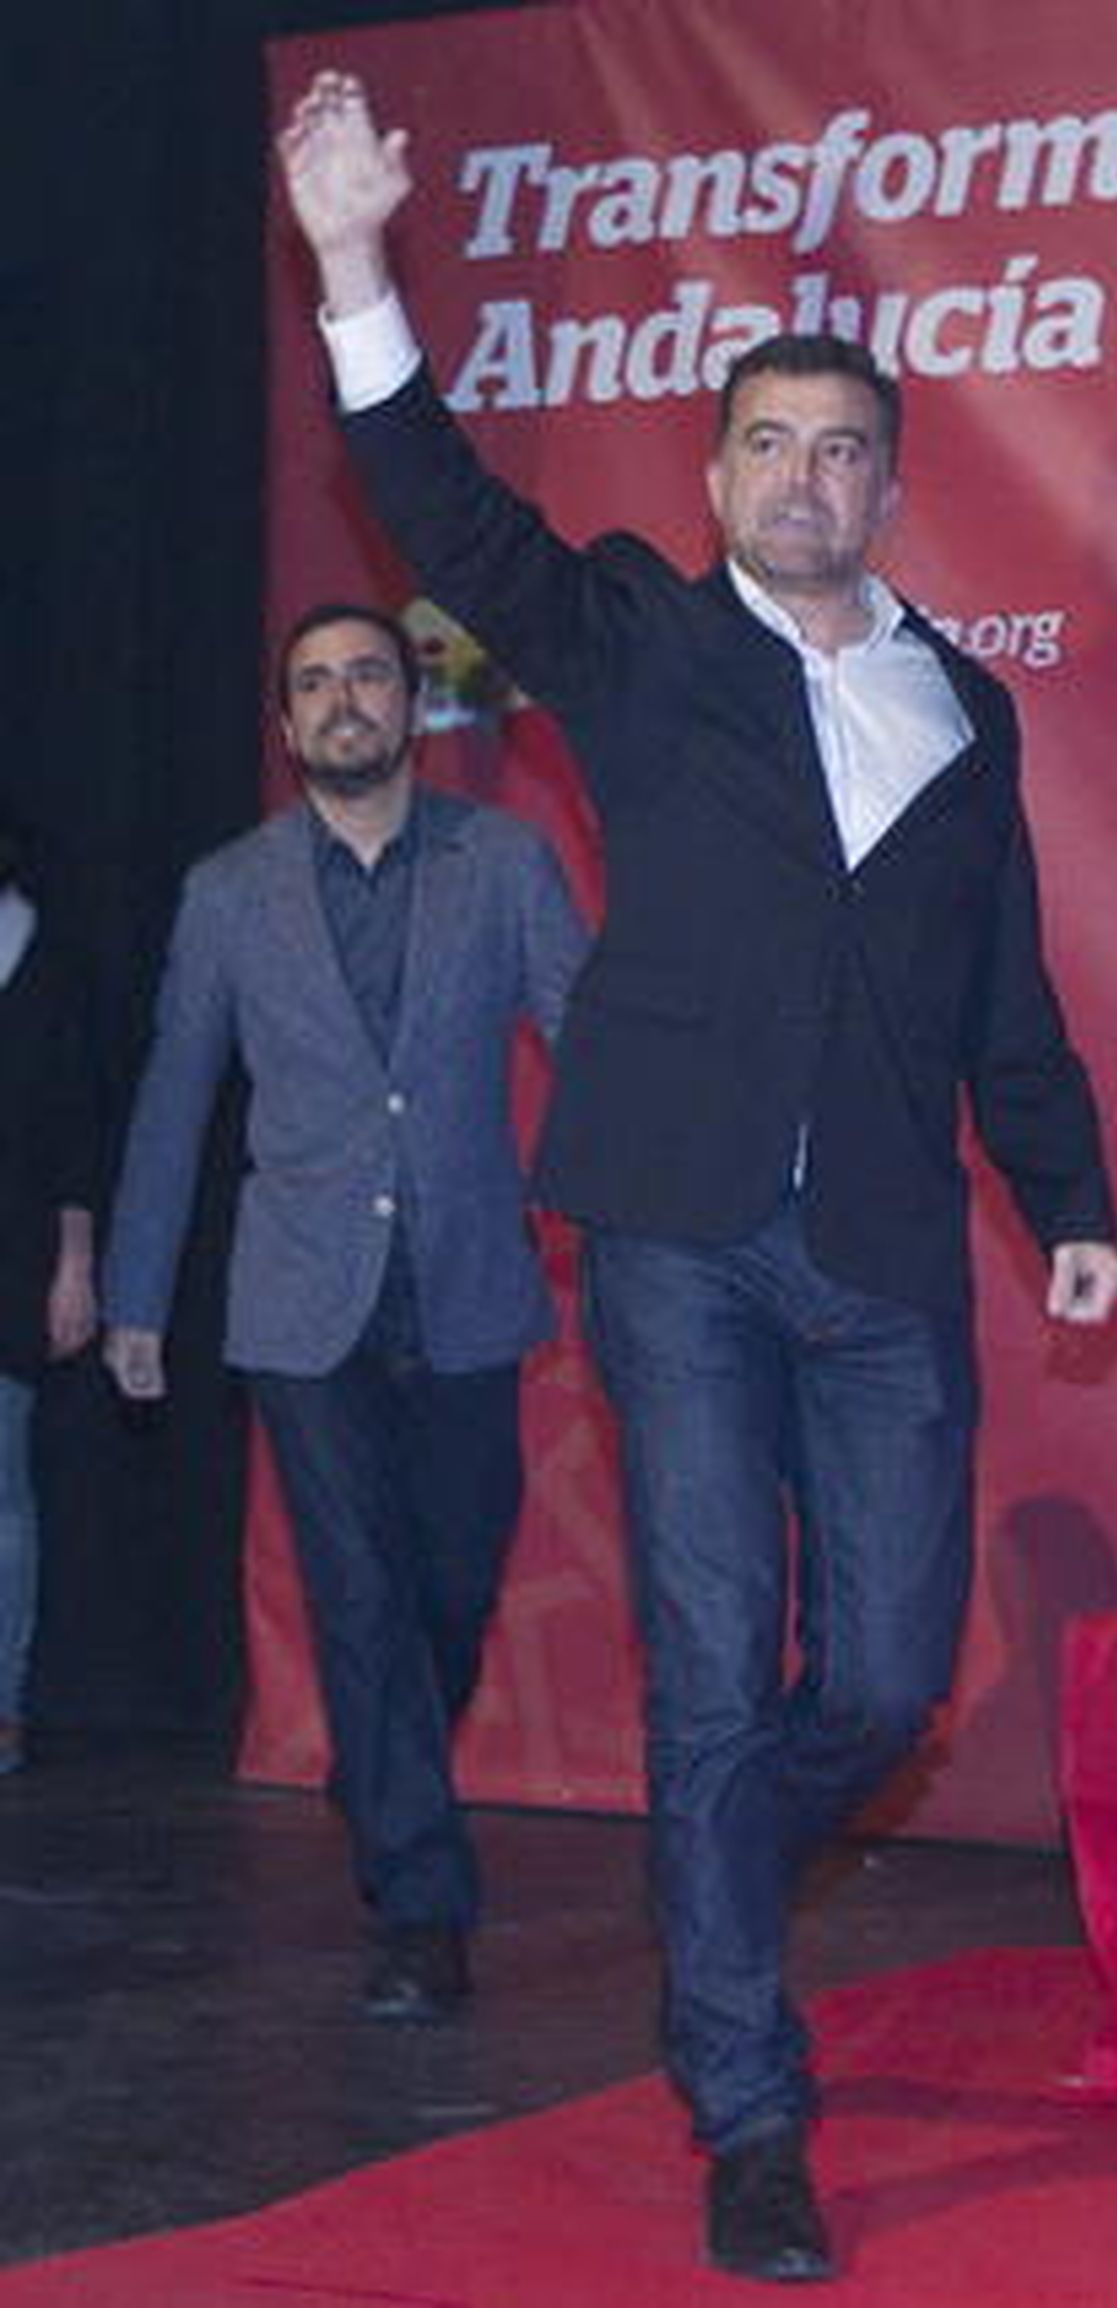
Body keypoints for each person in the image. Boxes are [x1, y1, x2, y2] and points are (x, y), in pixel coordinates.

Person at [280, 71, 1117, 2282]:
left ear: (888, 486)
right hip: (675, 1232)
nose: (802, 477)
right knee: (711, 1665)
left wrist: (1068, 1201)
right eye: (766, 444)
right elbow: (451, 521)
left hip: (880, 1247)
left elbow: (1003, 981)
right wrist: (355, 262)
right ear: (718, 473)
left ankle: (714, 1871)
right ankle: (748, 2100)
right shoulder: (648, 641)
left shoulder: (965, 709)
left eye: (840, 449)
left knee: (883, 1680)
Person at [101, 602, 588, 2020]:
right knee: (361, 1591)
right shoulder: (229, 893)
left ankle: (382, 1766)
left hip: (468, 1287)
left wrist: (654, 1227)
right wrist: (138, 1294)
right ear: (287, 724)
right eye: (314, 684)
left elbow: (588, 1043)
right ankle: (421, 1909)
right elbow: (175, 1097)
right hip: (300, 1300)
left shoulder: (502, 862)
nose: (343, 700)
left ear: (411, 702)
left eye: (367, 675)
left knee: (452, 1585)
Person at [0, 804, 98, 1775]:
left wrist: (75, 1265)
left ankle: (1, 1703)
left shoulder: (45, 963)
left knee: (0, 1493)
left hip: (12, 1254)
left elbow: (77, 1128)